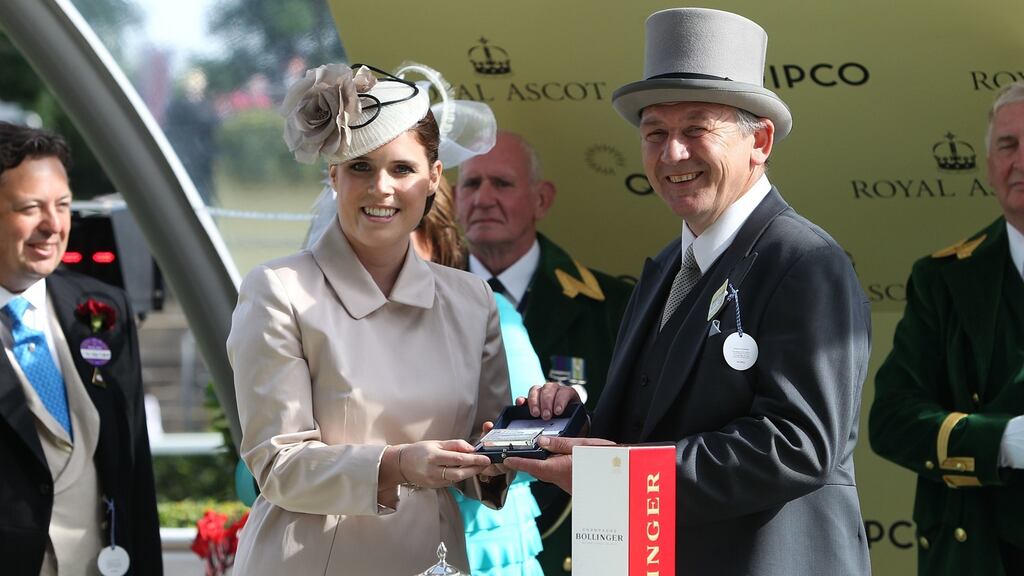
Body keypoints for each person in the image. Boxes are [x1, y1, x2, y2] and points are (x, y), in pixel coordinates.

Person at [505, 8, 873, 576]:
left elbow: (798, 444)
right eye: (655, 133)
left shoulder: (805, 262)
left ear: (760, 141)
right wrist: (571, 427)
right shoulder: (664, 268)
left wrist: (619, 475)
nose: (672, 153)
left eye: (696, 129)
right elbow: (649, 426)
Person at [227, 63, 512, 574]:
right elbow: (276, 464)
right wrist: (397, 465)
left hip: (435, 560)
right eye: (360, 166)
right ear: (333, 175)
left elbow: (484, 454)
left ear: (434, 178)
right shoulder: (277, 290)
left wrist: (529, 430)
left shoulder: (473, 301)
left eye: (402, 169)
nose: (381, 187)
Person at [455, 130, 633, 573]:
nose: (484, 198)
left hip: (581, 546)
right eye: (471, 184)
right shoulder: (423, 302)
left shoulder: (611, 306)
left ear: (541, 199)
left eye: (502, 183)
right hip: (469, 546)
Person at [869, 82, 1024, 576]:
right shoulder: (943, 279)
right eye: (1008, 145)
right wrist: (1002, 441)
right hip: (978, 555)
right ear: (990, 165)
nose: (1021, 161)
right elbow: (892, 421)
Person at [0, 122, 161, 575]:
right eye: (31, 208)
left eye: (63, 205)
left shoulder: (104, 309)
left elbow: (135, 473)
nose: (53, 225)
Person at [413, 177, 545, 576]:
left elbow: (531, 440)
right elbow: (261, 472)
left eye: (404, 231)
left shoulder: (485, 309)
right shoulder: (319, 316)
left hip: (480, 548)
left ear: (435, 241)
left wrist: (480, 460)